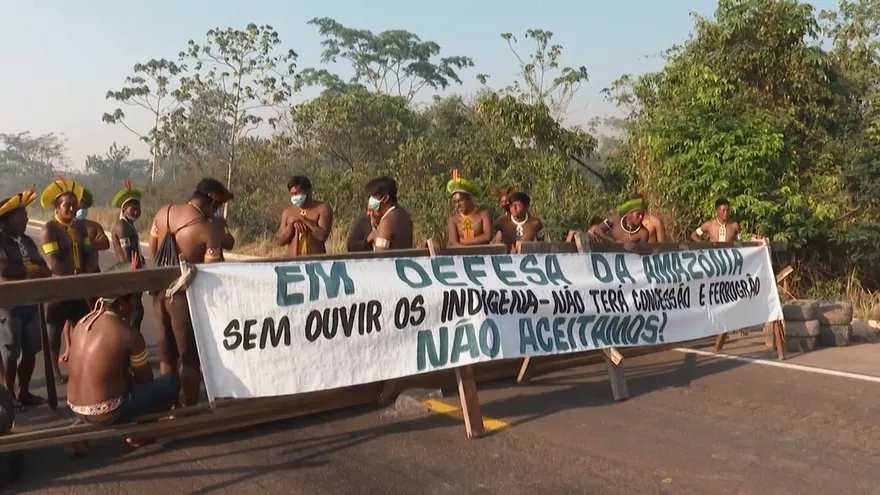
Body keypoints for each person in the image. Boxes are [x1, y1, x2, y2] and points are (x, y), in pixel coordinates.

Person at [66, 262, 179, 449]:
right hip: (107, 411)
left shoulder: (82, 323)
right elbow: (145, 381)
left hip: (76, 407)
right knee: (170, 383)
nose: (136, 305)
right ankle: (137, 434)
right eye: (134, 300)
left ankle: (83, 425)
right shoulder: (128, 334)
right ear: (121, 303)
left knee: (118, 380)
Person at [148, 178, 232, 406]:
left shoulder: (163, 213)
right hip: (184, 298)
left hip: (159, 295)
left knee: (167, 354)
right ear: (213, 204)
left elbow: (153, 252)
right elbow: (213, 269)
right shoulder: (206, 228)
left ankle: (171, 405)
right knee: (190, 356)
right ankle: (190, 406)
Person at [0, 186, 51, 409]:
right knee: (10, 353)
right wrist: (31, 268)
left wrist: (26, 269)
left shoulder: (28, 241)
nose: (27, 218)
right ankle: (9, 396)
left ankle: (23, 392)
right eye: (22, 215)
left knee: (31, 350)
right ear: (7, 219)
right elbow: (4, 271)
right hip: (8, 306)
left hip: (31, 304)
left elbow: (45, 268)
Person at [39, 178, 91, 384]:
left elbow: (89, 252)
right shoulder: (49, 230)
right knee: (54, 331)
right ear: (56, 208)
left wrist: (86, 273)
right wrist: (72, 277)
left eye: (74, 204)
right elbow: (53, 263)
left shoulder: (79, 227)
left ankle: (80, 366)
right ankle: (54, 371)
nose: (72, 208)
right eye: (67, 205)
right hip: (59, 288)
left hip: (78, 285)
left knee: (82, 327)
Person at [110, 180, 146, 331]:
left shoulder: (128, 225)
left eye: (138, 209)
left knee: (133, 311)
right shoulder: (122, 226)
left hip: (132, 271)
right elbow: (127, 256)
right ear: (124, 210)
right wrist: (133, 273)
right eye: (133, 209)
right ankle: (131, 339)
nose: (137, 212)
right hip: (128, 271)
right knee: (136, 311)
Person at [274, 176, 334, 256]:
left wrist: (304, 220)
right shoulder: (288, 212)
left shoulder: (322, 208)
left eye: (297, 193)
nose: (294, 197)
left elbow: (322, 236)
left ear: (308, 192)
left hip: (315, 259)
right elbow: (279, 241)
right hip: (293, 260)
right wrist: (290, 226)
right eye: (292, 194)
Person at [365, 176, 413, 251]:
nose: (371, 199)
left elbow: (381, 254)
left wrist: (375, 237)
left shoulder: (387, 221)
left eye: (374, 196)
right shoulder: (404, 215)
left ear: (385, 198)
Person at [445, 170, 492, 247]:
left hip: (482, 253)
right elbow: (453, 242)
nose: (458, 205)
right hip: (461, 253)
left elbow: (487, 237)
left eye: (460, 200)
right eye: (455, 202)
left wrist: (465, 242)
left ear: (469, 199)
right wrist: (466, 251)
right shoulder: (453, 220)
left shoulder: (483, 214)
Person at [75, 188, 110, 274]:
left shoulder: (94, 226)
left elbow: (105, 244)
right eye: (79, 207)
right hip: (73, 274)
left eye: (84, 207)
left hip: (93, 272)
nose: (81, 209)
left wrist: (90, 243)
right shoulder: (63, 228)